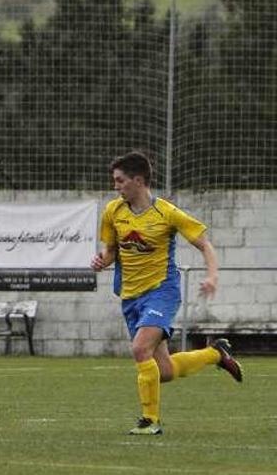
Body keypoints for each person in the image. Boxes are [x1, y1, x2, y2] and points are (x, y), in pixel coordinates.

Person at [91, 151, 243, 435]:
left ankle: (150, 421)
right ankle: (215, 354)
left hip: (162, 290)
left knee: (139, 348)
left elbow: (205, 245)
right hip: (130, 295)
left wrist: (212, 276)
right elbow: (112, 252)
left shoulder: (167, 213)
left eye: (120, 180)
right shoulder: (113, 211)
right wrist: (102, 261)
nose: (116, 186)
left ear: (138, 180)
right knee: (165, 371)